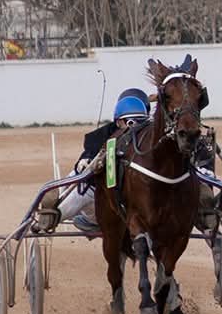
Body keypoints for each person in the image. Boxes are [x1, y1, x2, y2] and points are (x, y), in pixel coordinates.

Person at [33, 88, 150, 234]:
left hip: (118, 206)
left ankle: (53, 216)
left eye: (138, 123)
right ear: (119, 121)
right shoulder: (105, 134)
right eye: (129, 122)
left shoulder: (148, 141)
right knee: (80, 184)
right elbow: (91, 148)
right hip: (95, 194)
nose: (132, 128)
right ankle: (49, 216)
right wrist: (85, 159)